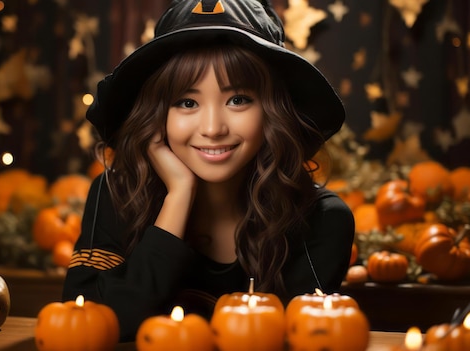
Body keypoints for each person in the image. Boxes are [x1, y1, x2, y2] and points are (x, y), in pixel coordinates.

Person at [62, 0, 354, 342]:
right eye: (187, 103)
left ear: (273, 112)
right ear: (158, 116)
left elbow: (299, 341)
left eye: (238, 99)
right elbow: (87, 329)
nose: (213, 128)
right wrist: (179, 195)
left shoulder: (321, 220)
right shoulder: (115, 194)